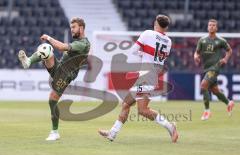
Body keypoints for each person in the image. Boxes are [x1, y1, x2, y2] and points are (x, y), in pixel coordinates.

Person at [98, 15, 179, 143]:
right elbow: (160, 58)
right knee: (126, 104)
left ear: (156, 23)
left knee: (142, 110)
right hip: (152, 75)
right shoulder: (168, 41)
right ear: (166, 27)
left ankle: (170, 126)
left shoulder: (148, 34)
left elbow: (134, 50)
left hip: (147, 76)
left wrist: (142, 53)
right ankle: (112, 133)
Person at [18, 17, 90, 140]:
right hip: (59, 67)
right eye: (71, 27)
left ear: (81, 28)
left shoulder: (83, 44)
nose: (71, 30)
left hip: (66, 75)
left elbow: (62, 47)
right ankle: (28, 61)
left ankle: (55, 132)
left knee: (52, 99)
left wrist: (49, 37)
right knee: (46, 49)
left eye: (74, 27)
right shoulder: (78, 42)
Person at [194, 19, 234, 121]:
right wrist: (196, 57)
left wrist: (225, 59)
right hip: (206, 68)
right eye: (210, 25)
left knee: (203, 86)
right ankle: (229, 103)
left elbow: (229, 50)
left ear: (216, 28)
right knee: (215, 91)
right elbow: (197, 52)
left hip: (215, 67)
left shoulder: (221, 41)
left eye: (213, 25)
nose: (211, 27)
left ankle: (207, 111)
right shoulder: (202, 40)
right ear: (207, 27)